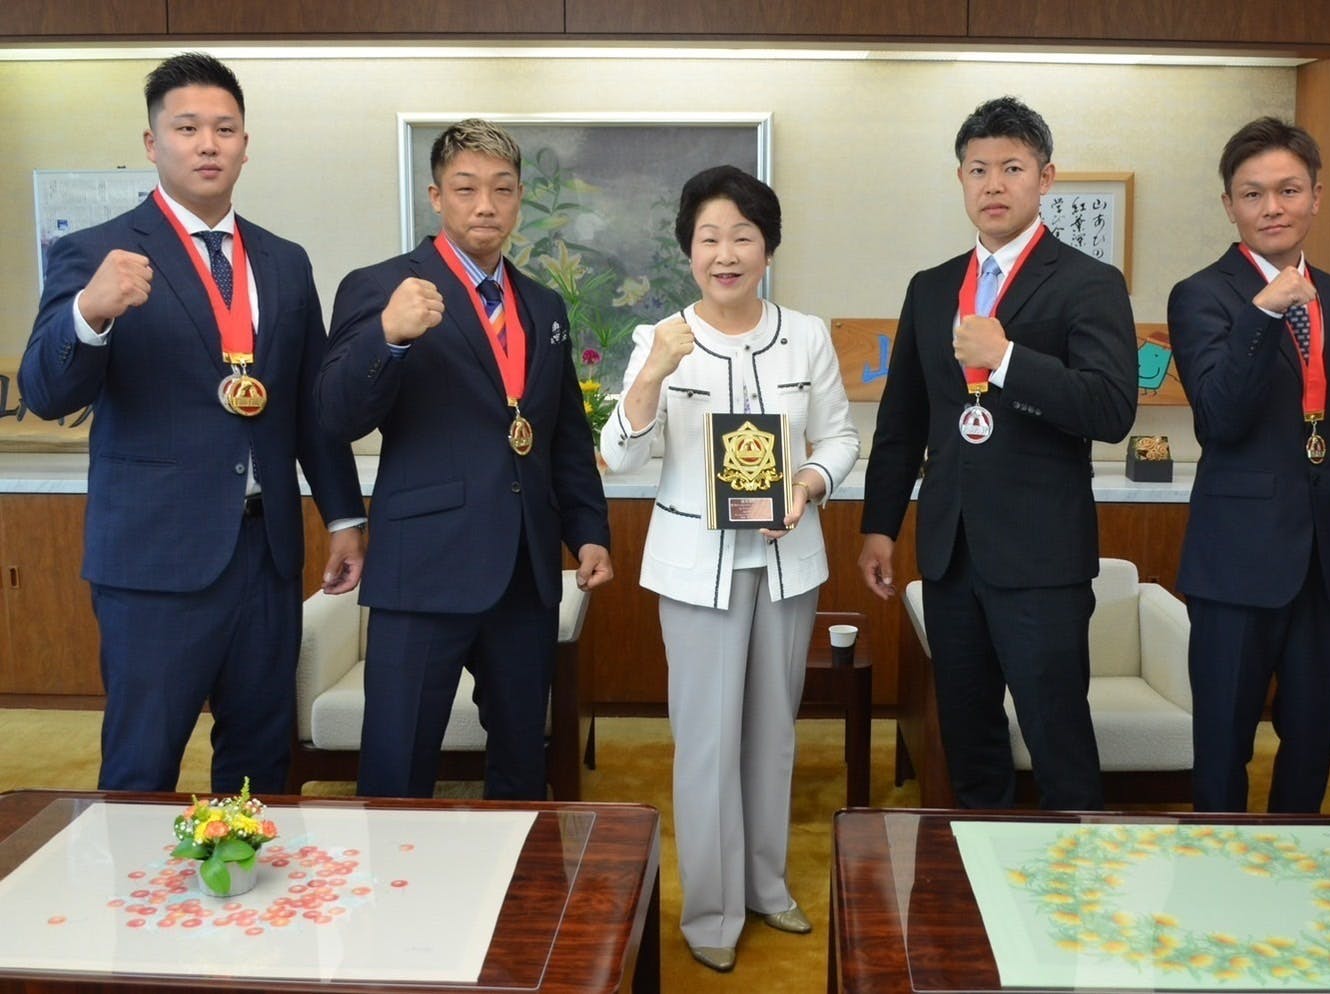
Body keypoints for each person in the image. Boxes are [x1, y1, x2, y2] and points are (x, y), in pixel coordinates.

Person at [18, 52, 366, 795]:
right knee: (141, 770)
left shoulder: (283, 261)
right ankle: (132, 882)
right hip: (154, 561)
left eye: (224, 128)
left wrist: (343, 516)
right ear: (153, 143)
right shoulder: (95, 252)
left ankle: (252, 878)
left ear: (245, 144)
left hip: (266, 555)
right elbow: (47, 391)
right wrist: (90, 312)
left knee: (262, 767)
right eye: (187, 128)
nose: (208, 144)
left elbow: (309, 406)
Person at [600, 165, 858, 973]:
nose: (726, 254)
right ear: (688, 251)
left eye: (743, 237)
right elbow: (619, 455)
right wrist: (653, 373)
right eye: (709, 238)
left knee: (773, 736)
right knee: (707, 744)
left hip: (786, 562)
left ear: (768, 248)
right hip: (695, 572)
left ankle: (766, 885)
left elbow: (840, 438)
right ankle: (711, 912)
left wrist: (808, 483)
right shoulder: (660, 338)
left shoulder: (805, 335)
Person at [316, 119, 613, 801]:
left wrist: (588, 530)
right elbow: (335, 417)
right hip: (423, 569)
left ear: (519, 199)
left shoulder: (542, 304)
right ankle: (396, 875)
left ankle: (514, 871)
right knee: (397, 767)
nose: (486, 205)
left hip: (525, 572)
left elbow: (564, 433)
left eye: (503, 189)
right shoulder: (383, 287)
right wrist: (387, 338)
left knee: (521, 765)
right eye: (466, 188)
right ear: (436, 197)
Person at [858, 96, 1138, 812]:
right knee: (969, 741)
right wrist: (880, 526)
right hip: (950, 555)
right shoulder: (931, 288)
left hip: (1042, 559)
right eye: (978, 169)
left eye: (1012, 168)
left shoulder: (1089, 282)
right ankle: (981, 869)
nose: (994, 184)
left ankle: (1075, 873)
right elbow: (903, 420)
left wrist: (1008, 358)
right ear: (960, 179)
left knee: (1057, 740)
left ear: (1046, 178)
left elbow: (1111, 410)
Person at [1166, 118, 1330, 814]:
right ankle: (1217, 861)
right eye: (1253, 193)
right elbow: (1220, 418)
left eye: (1289, 190)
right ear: (1229, 205)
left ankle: (1296, 859)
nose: (1272, 207)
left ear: (1316, 196)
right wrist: (1262, 315)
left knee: (1315, 734)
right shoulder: (1201, 295)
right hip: (1237, 561)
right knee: (1224, 740)